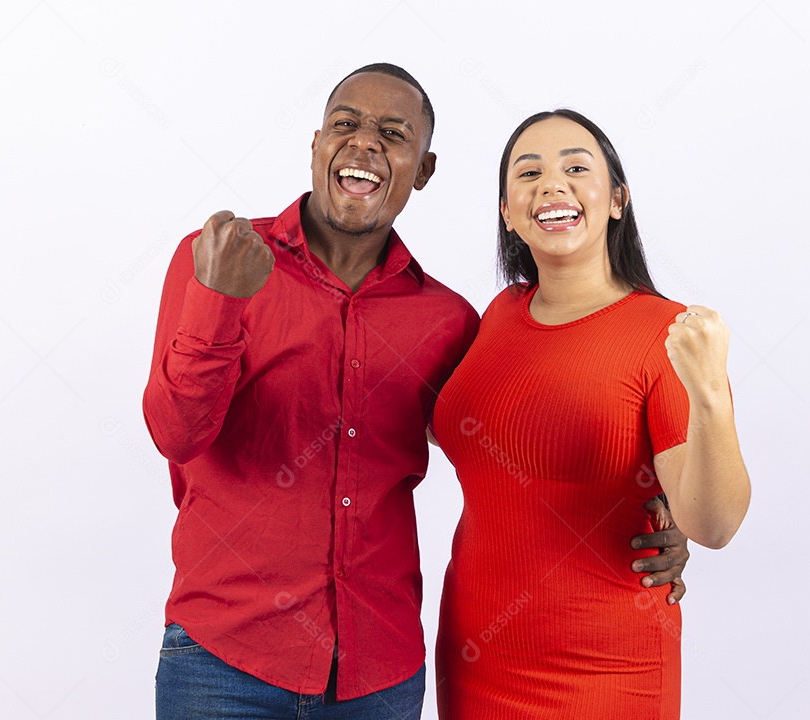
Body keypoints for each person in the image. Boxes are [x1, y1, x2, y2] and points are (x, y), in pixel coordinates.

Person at [144, 65, 690, 719]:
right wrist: (222, 303)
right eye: (345, 124)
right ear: (316, 144)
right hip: (224, 662)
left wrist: (654, 501)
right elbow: (176, 434)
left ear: (423, 169)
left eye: (392, 133)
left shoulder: (450, 321)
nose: (365, 143)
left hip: (380, 675)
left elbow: (508, 449)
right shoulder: (219, 259)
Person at [434, 110, 751, 719]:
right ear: (507, 210)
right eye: (529, 173)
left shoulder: (664, 332)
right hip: (475, 659)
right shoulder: (499, 315)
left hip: (605, 673)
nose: (552, 185)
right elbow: (472, 432)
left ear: (616, 200)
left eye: (576, 168)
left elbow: (712, 525)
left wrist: (711, 397)